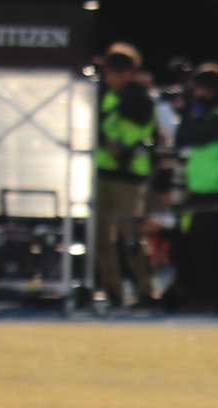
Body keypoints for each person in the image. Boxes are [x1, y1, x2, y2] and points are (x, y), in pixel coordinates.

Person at [170, 68, 218, 315]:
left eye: (199, 90)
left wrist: (185, 111)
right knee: (205, 247)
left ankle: (215, 299)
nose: (197, 95)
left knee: (205, 249)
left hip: (214, 190)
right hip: (206, 189)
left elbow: (191, 136)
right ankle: (217, 298)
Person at [93, 47, 160, 308]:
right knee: (102, 238)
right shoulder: (104, 95)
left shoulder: (141, 98)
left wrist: (117, 146)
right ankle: (113, 290)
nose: (108, 78)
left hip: (129, 175)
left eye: (113, 73)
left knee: (131, 236)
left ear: (128, 73)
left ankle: (147, 291)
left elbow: (136, 130)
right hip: (103, 171)